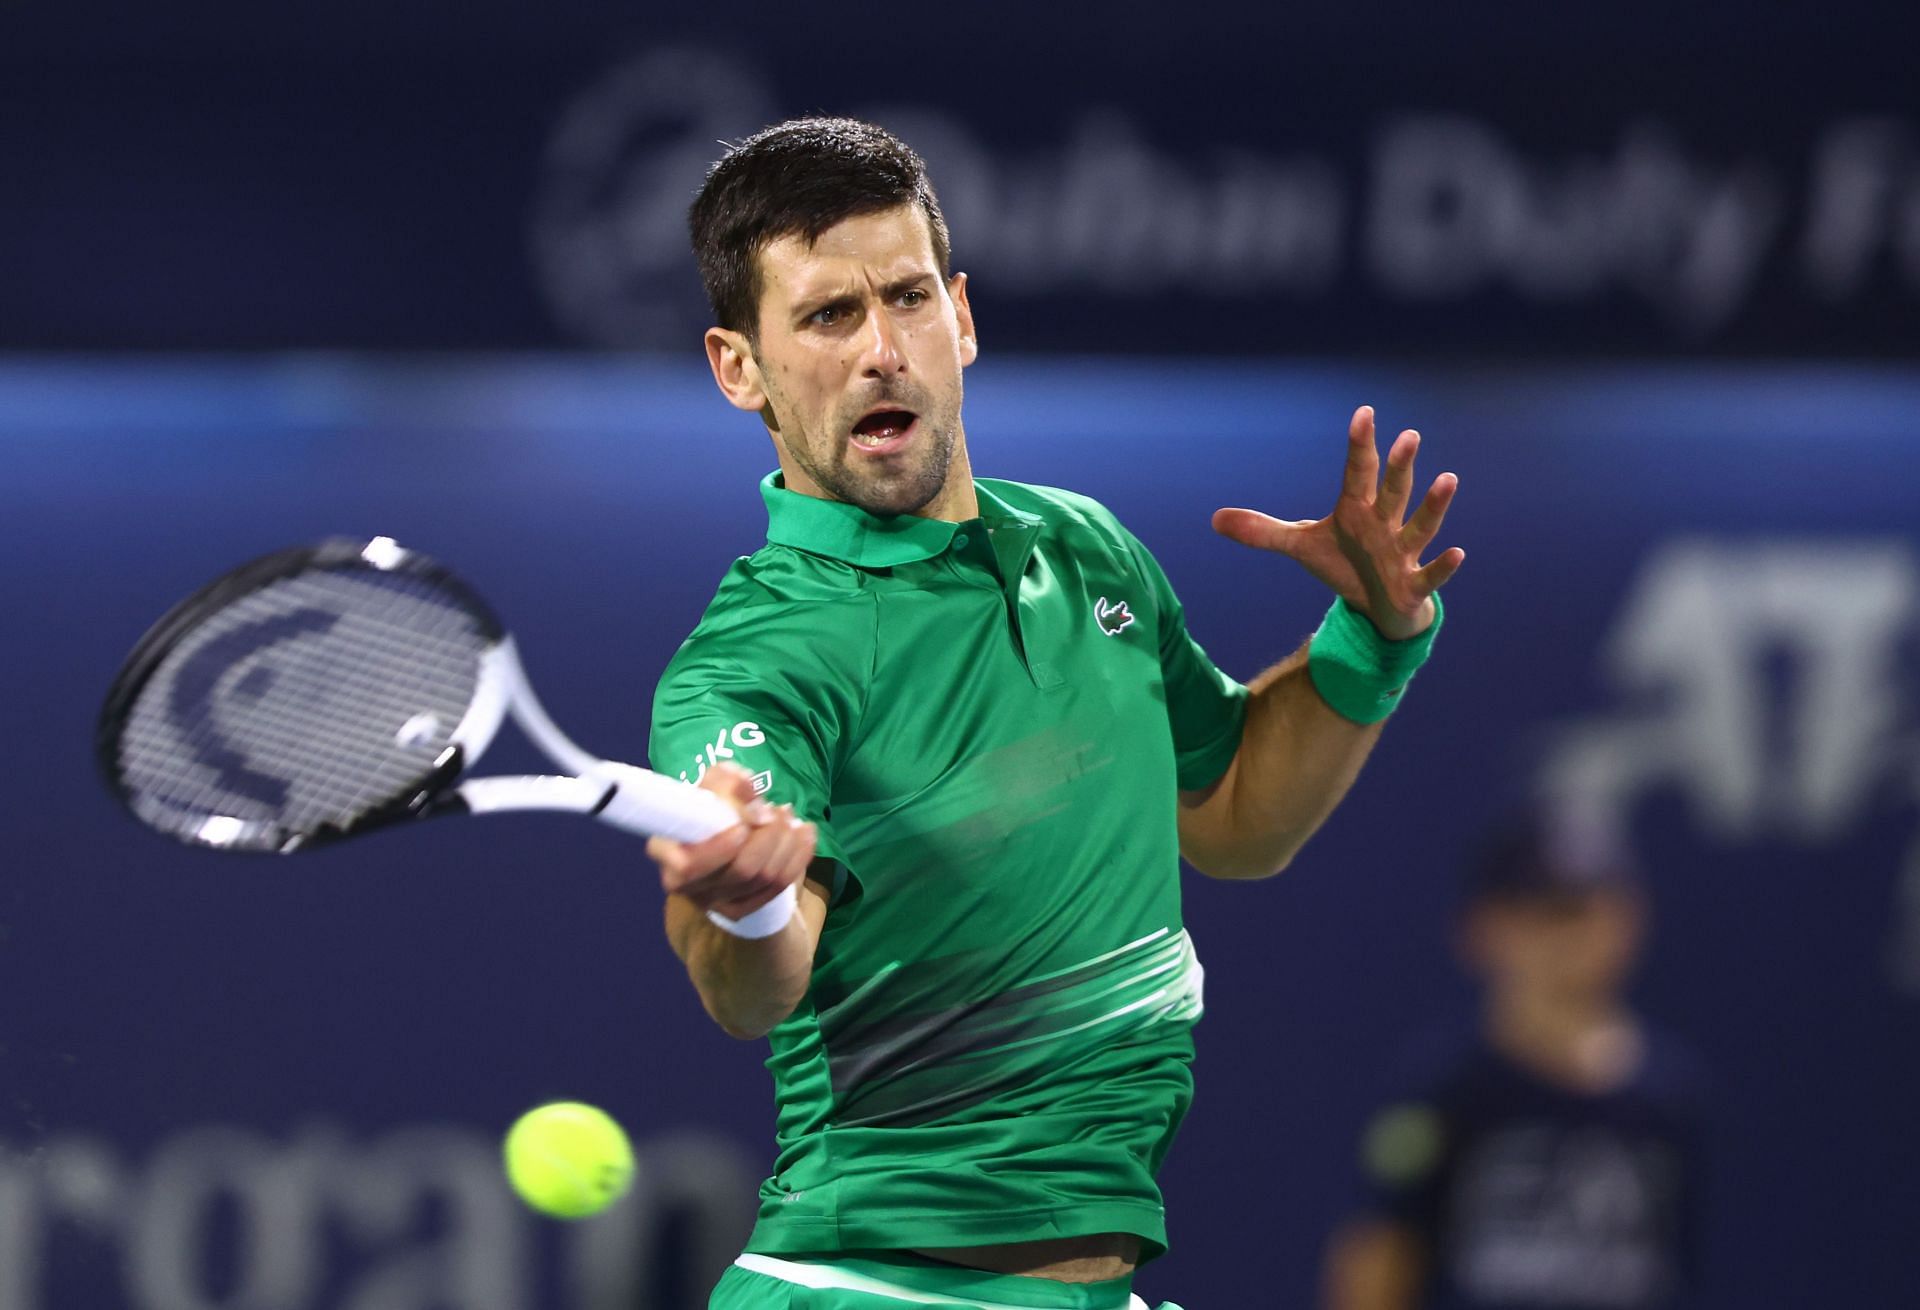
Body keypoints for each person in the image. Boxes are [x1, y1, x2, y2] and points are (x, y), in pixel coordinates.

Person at [643, 116, 1463, 1310]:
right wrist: (752, 895)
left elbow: (1233, 812)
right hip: (873, 1287)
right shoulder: (753, 660)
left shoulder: (1085, 549)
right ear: (739, 367)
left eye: (909, 297)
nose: (883, 349)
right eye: (827, 315)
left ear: (961, 315)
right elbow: (744, 983)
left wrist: (1372, 639)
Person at [1320, 819, 1709, 1310]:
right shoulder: (1442, 1092)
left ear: (1630, 921)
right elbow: (1378, 1259)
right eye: (1543, 913)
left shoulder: (1670, 1094)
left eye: (1584, 910)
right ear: (1481, 929)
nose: (1566, 937)